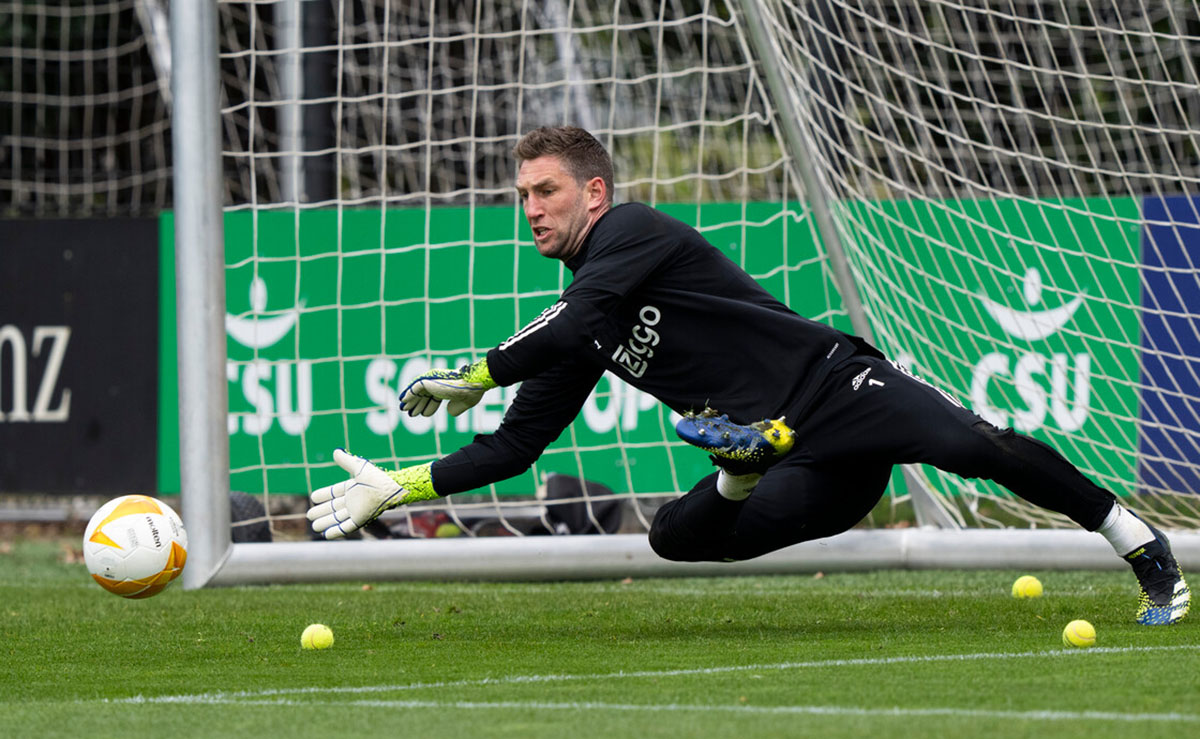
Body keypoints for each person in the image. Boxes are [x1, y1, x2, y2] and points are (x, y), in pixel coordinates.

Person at [308, 125, 1190, 626]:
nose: (531, 208)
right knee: (674, 538)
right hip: (804, 469)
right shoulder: (578, 321)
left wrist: (478, 369)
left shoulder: (634, 234)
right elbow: (514, 446)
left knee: (973, 444)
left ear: (596, 194)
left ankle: (1139, 545)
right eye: (523, 195)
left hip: (835, 387)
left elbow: (570, 322)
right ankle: (737, 468)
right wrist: (402, 483)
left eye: (547, 190)